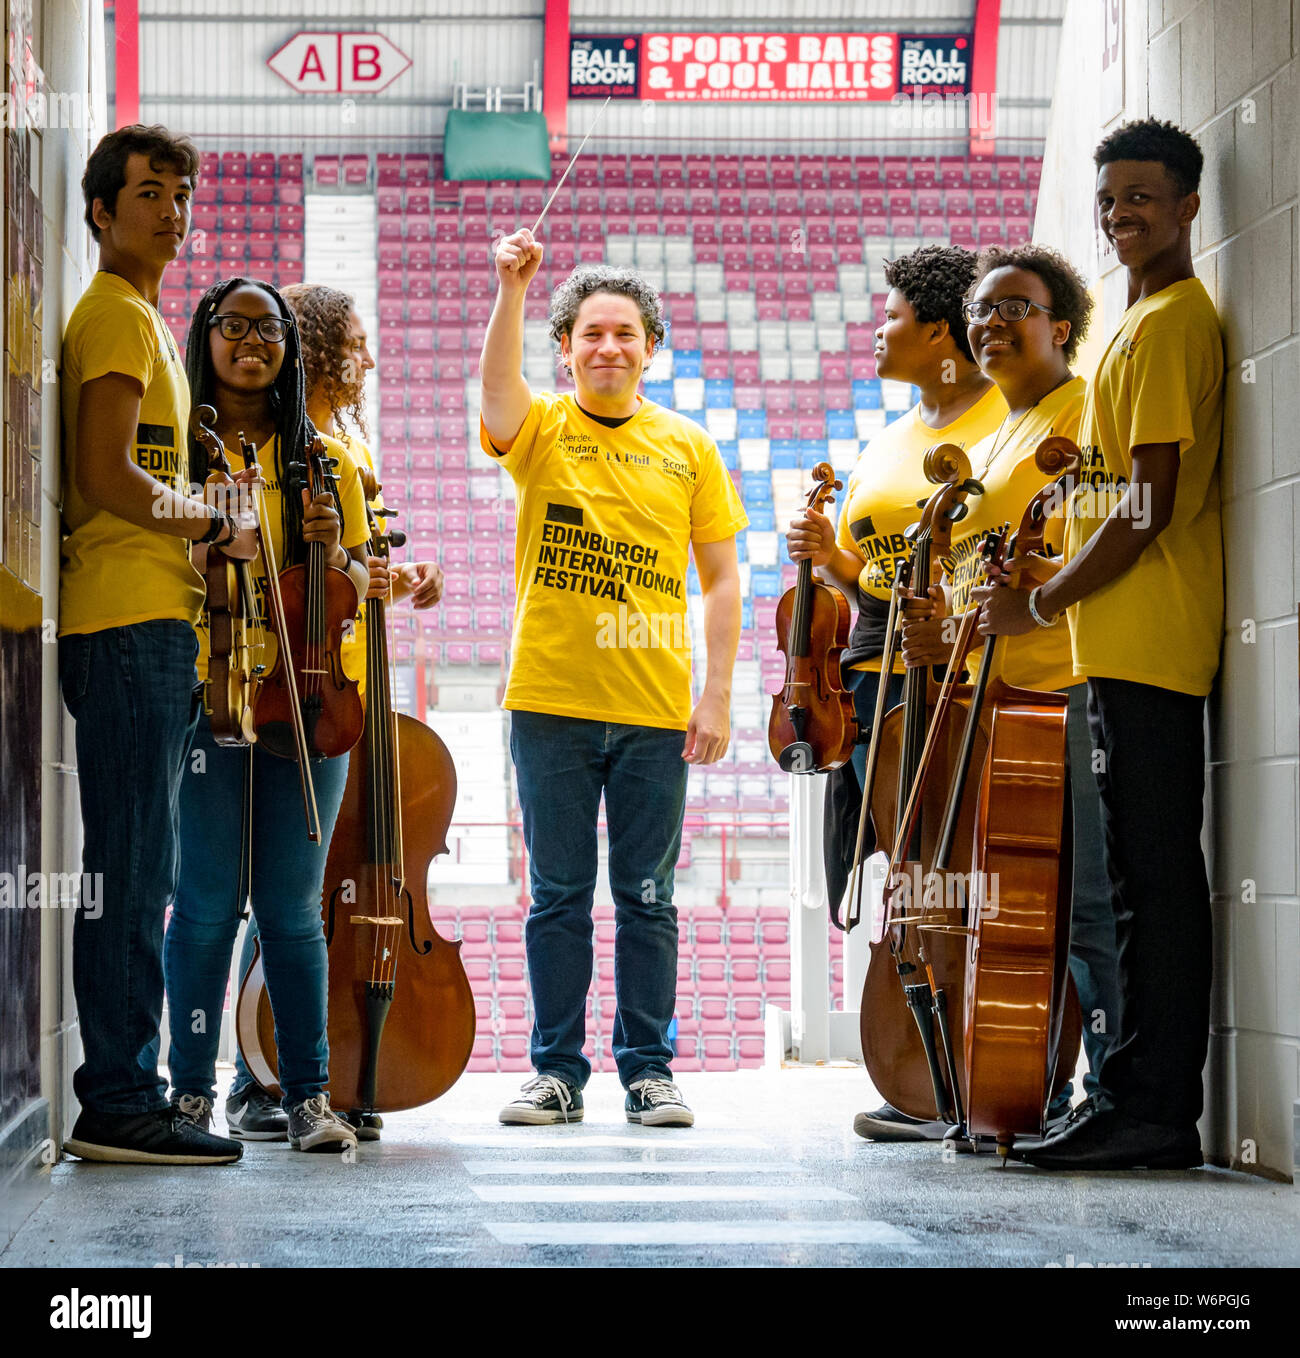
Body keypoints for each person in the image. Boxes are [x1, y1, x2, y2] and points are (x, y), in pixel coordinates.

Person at [978, 120, 1223, 1171]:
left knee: (1152, 882)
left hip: (1151, 641)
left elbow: (1147, 507)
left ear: (1187, 209)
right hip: (1115, 638)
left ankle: (1152, 1109)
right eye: (1110, 197)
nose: (1123, 213)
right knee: (1132, 876)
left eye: (1143, 197)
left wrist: (1036, 611)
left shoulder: (1171, 322)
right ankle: (1128, 1096)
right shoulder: (1134, 323)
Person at [482, 237, 746, 1127]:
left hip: (652, 709)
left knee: (646, 897)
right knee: (558, 897)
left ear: (649, 347)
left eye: (624, 333)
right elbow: (495, 396)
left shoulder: (689, 447)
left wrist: (715, 694)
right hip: (550, 702)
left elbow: (720, 578)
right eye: (590, 334)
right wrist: (512, 290)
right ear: (566, 348)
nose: (607, 348)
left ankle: (649, 1071)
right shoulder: (544, 428)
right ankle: (556, 1072)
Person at [210, 281, 446, 1144]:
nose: (371, 362)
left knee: (297, 895)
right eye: (357, 345)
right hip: (270, 684)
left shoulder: (341, 453)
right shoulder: (260, 445)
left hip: (334, 687)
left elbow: (354, 561)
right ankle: (254, 1074)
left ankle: (295, 1074)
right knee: (272, 898)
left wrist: (398, 577)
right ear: (319, 347)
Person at [59, 126, 254, 1165]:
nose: (170, 210)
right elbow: (104, 474)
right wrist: (211, 522)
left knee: (142, 866)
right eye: (146, 192)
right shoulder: (118, 319)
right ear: (100, 210)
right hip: (129, 622)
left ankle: (129, 1092)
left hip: (143, 625)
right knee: (134, 870)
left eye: (180, 193)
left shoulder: (132, 317)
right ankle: (121, 1099)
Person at [785, 245, 1008, 1143]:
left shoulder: (998, 425)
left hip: (949, 677)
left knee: (955, 879)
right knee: (911, 881)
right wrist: (831, 561)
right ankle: (925, 1077)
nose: (875, 329)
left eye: (890, 316)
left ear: (940, 332)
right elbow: (873, 576)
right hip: (875, 682)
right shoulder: (889, 434)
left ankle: (972, 1076)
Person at [898, 244, 1117, 1140]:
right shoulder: (996, 435)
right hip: (993, 698)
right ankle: (1022, 1087)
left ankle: (1108, 1095)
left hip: (1061, 689)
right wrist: (940, 630)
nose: (991, 323)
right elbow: (981, 584)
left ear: (1059, 327)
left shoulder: (1082, 413)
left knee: (1088, 907)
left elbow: (1094, 551)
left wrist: (1032, 591)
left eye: (1013, 308)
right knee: (1020, 911)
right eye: (981, 311)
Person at [161, 276, 372, 1154]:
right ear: (204, 335)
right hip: (208, 689)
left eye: (270, 328)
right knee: (206, 902)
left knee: (290, 907)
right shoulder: (174, 450)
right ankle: (187, 1095)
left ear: (290, 347)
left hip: (306, 696)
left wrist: (331, 557)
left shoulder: (323, 460)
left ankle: (307, 1095)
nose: (253, 341)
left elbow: (360, 583)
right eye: (233, 325)